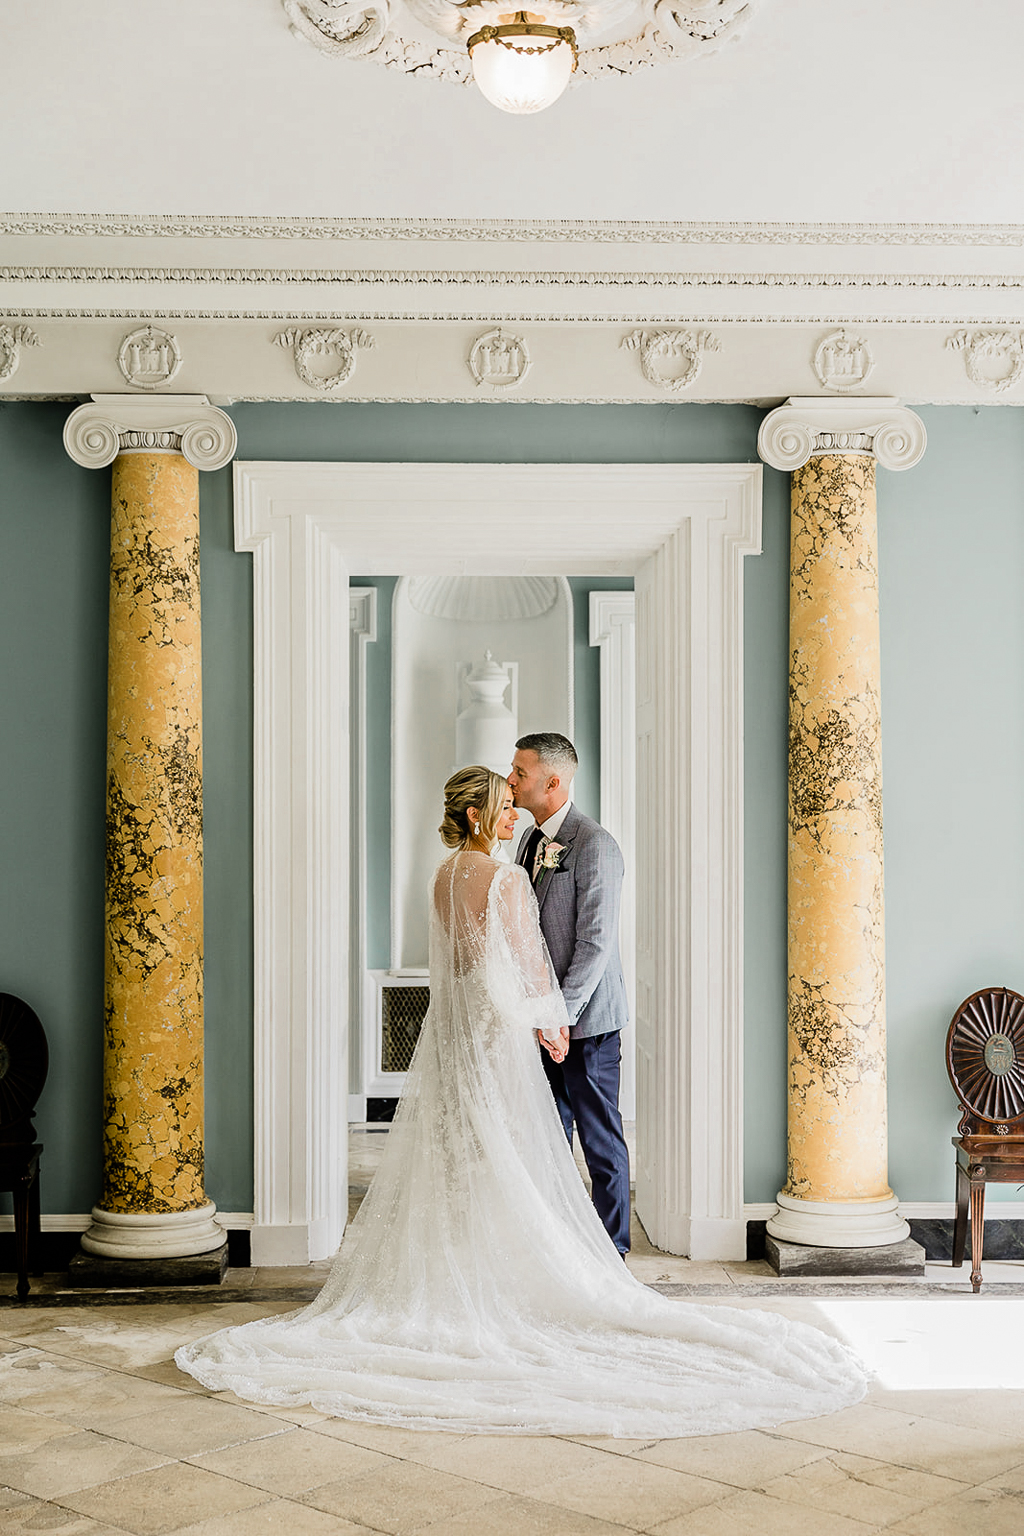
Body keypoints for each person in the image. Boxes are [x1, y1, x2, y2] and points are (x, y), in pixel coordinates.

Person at [175, 767, 865, 1436]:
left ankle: (473, 1272)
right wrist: (550, 1021)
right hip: (504, 1032)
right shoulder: (504, 875)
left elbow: (469, 963)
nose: (514, 814)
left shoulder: (441, 877)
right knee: (518, 1151)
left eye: (517, 797)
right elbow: (526, 960)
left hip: (459, 1034)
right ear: (478, 816)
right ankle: (538, 1276)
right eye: (504, 804)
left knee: (476, 1155)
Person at [509, 732, 631, 1255]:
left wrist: (560, 1015)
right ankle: (558, 1247)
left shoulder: (594, 843)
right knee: (549, 1136)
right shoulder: (529, 841)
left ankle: (612, 1249)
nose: (510, 781)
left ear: (553, 782)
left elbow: (595, 941)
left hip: (588, 1021)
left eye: (520, 773)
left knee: (599, 1138)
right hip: (541, 1018)